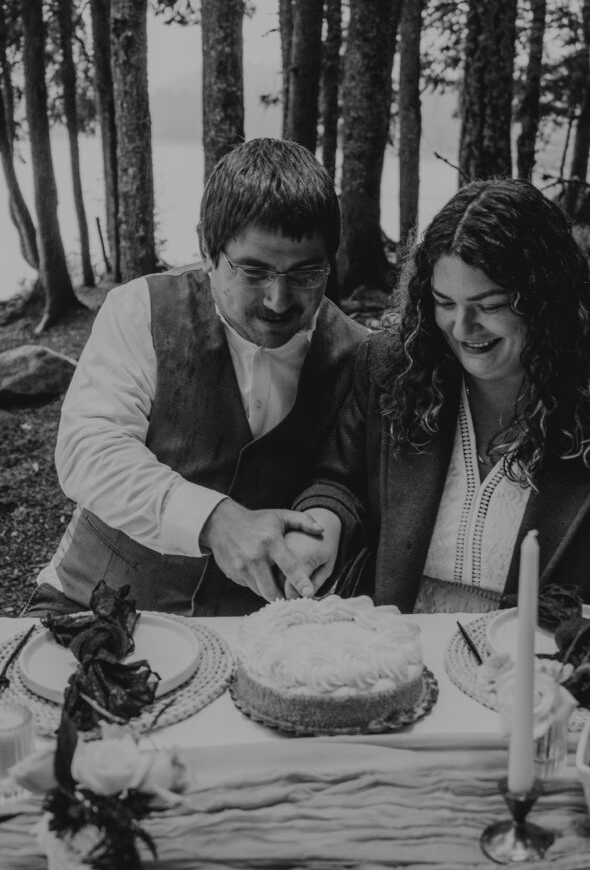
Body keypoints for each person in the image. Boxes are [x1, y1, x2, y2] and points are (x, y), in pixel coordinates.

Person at [285, 178, 590, 613]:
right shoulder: (391, 368)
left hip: (548, 666)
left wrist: (568, 657)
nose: (462, 327)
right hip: (398, 652)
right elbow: (339, 481)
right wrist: (319, 526)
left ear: (548, 299)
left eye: (490, 305)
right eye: (444, 302)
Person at [25, 138, 367, 616]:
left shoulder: (356, 353)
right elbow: (90, 448)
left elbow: (346, 478)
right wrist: (215, 520)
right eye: (254, 271)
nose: (278, 300)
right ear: (208, 248)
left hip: (251, 630)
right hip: (89, 605)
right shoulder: (140, 309)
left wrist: (325, 522)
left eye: (307, 273)